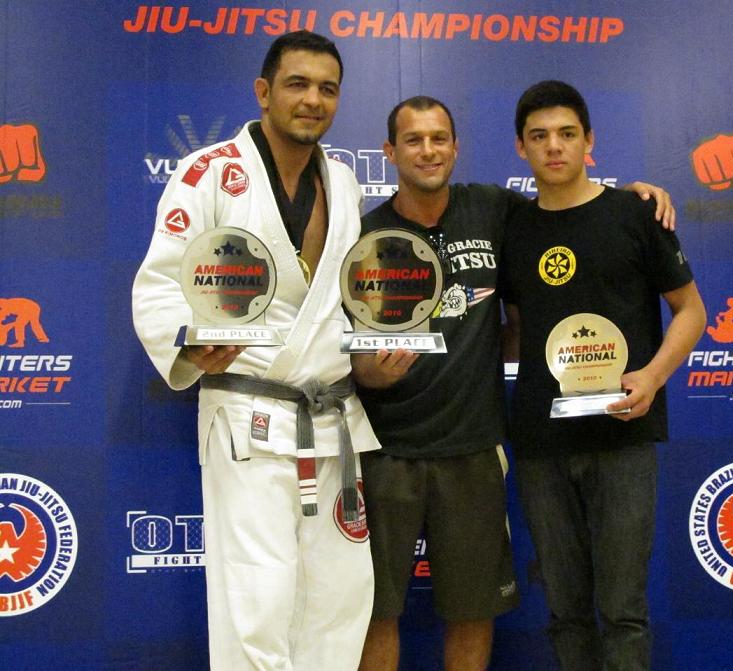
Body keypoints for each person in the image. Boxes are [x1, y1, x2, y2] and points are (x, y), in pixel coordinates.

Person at [352, 95, 678, 671]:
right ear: (388, 151)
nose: (427, 150)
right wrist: (370, 372)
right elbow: (346, 349)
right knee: (375, 612)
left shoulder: (493, 209)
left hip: (475, 447)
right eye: (413, 140)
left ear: (456, 147)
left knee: (473, 609)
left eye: (438, 138)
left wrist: (633, 198)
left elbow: (571, 209)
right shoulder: (363, 233)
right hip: (384, 450)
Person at [132, 31, 380, 671]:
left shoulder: (344, 182)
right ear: (264, 91)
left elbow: (345, 297)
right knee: (257, 599)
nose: (313, 100)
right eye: (298, 84)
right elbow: (161, 283)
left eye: (327, 88)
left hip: (331, 419)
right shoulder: (210, 172)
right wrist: (192, 342)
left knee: (340, 598)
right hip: (249, 416)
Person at [501, 80, 707, 671]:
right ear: (520, 147)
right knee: (565, 612)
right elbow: (516, 326)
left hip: (623, 433)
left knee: (622, 612)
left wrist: (653, 377)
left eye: (567, 133)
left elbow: (692, 312)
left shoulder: (636, 212)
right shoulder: (511, 228)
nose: (554, 146)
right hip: (542, 441)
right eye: (539, 136)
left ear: (589, 141)